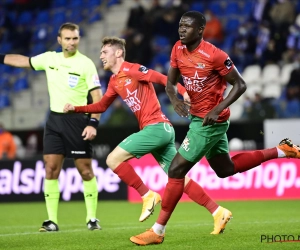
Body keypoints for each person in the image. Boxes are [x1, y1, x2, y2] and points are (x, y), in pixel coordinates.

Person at [129, 11, 300, 246]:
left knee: (176, 170)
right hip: (200, 118)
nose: (182, 30)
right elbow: (169, 83)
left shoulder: (214, 55)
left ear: (200, 30)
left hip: (210, 122)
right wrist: (176, 100)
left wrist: (217, 109)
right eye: (180, 25)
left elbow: (240, 84)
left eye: (187, 27)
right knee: (224, 169)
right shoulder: (177, 49)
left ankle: (157, 230)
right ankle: (281, 151)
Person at [64, 36, 233, 234]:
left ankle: (147, 195)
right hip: (161, 131)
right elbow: (101, 106)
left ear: (118, 53)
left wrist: (182, 90)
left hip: (156, 128)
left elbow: (161, 78)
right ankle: (217, 211)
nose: (101, 56)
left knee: (112, 159)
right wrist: (75, 108)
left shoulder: (133, 69)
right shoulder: (113, 81)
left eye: (105, 52)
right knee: (178, 178)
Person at [0, 22, 103, 232]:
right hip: (54, 121)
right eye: (67, 38)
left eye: (75, 38)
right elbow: (24, 61)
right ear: (60, 40)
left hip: (78, 121)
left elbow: (97, 96)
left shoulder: (86, 64)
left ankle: (92, 218)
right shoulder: (49, 59)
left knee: (85, 170)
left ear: (79, 39)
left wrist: (93, 122)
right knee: (50, 169)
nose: (71, 42)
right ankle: (51, 221)